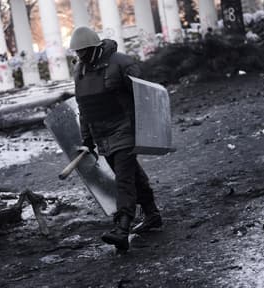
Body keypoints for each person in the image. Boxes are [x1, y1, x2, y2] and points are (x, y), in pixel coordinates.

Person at [69, 26, 163, 251]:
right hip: (102, 135)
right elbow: (84, 107)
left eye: (83, 51)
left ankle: (122, 228)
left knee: (123, 179)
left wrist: (147, 128)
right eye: (77, 52)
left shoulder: (121, 63)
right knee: (132, 176)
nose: (80, 56)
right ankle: (152, 215)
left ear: (94, 47)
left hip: (125, 129)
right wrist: (87, 138)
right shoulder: (80, 71)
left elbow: (144, 96)